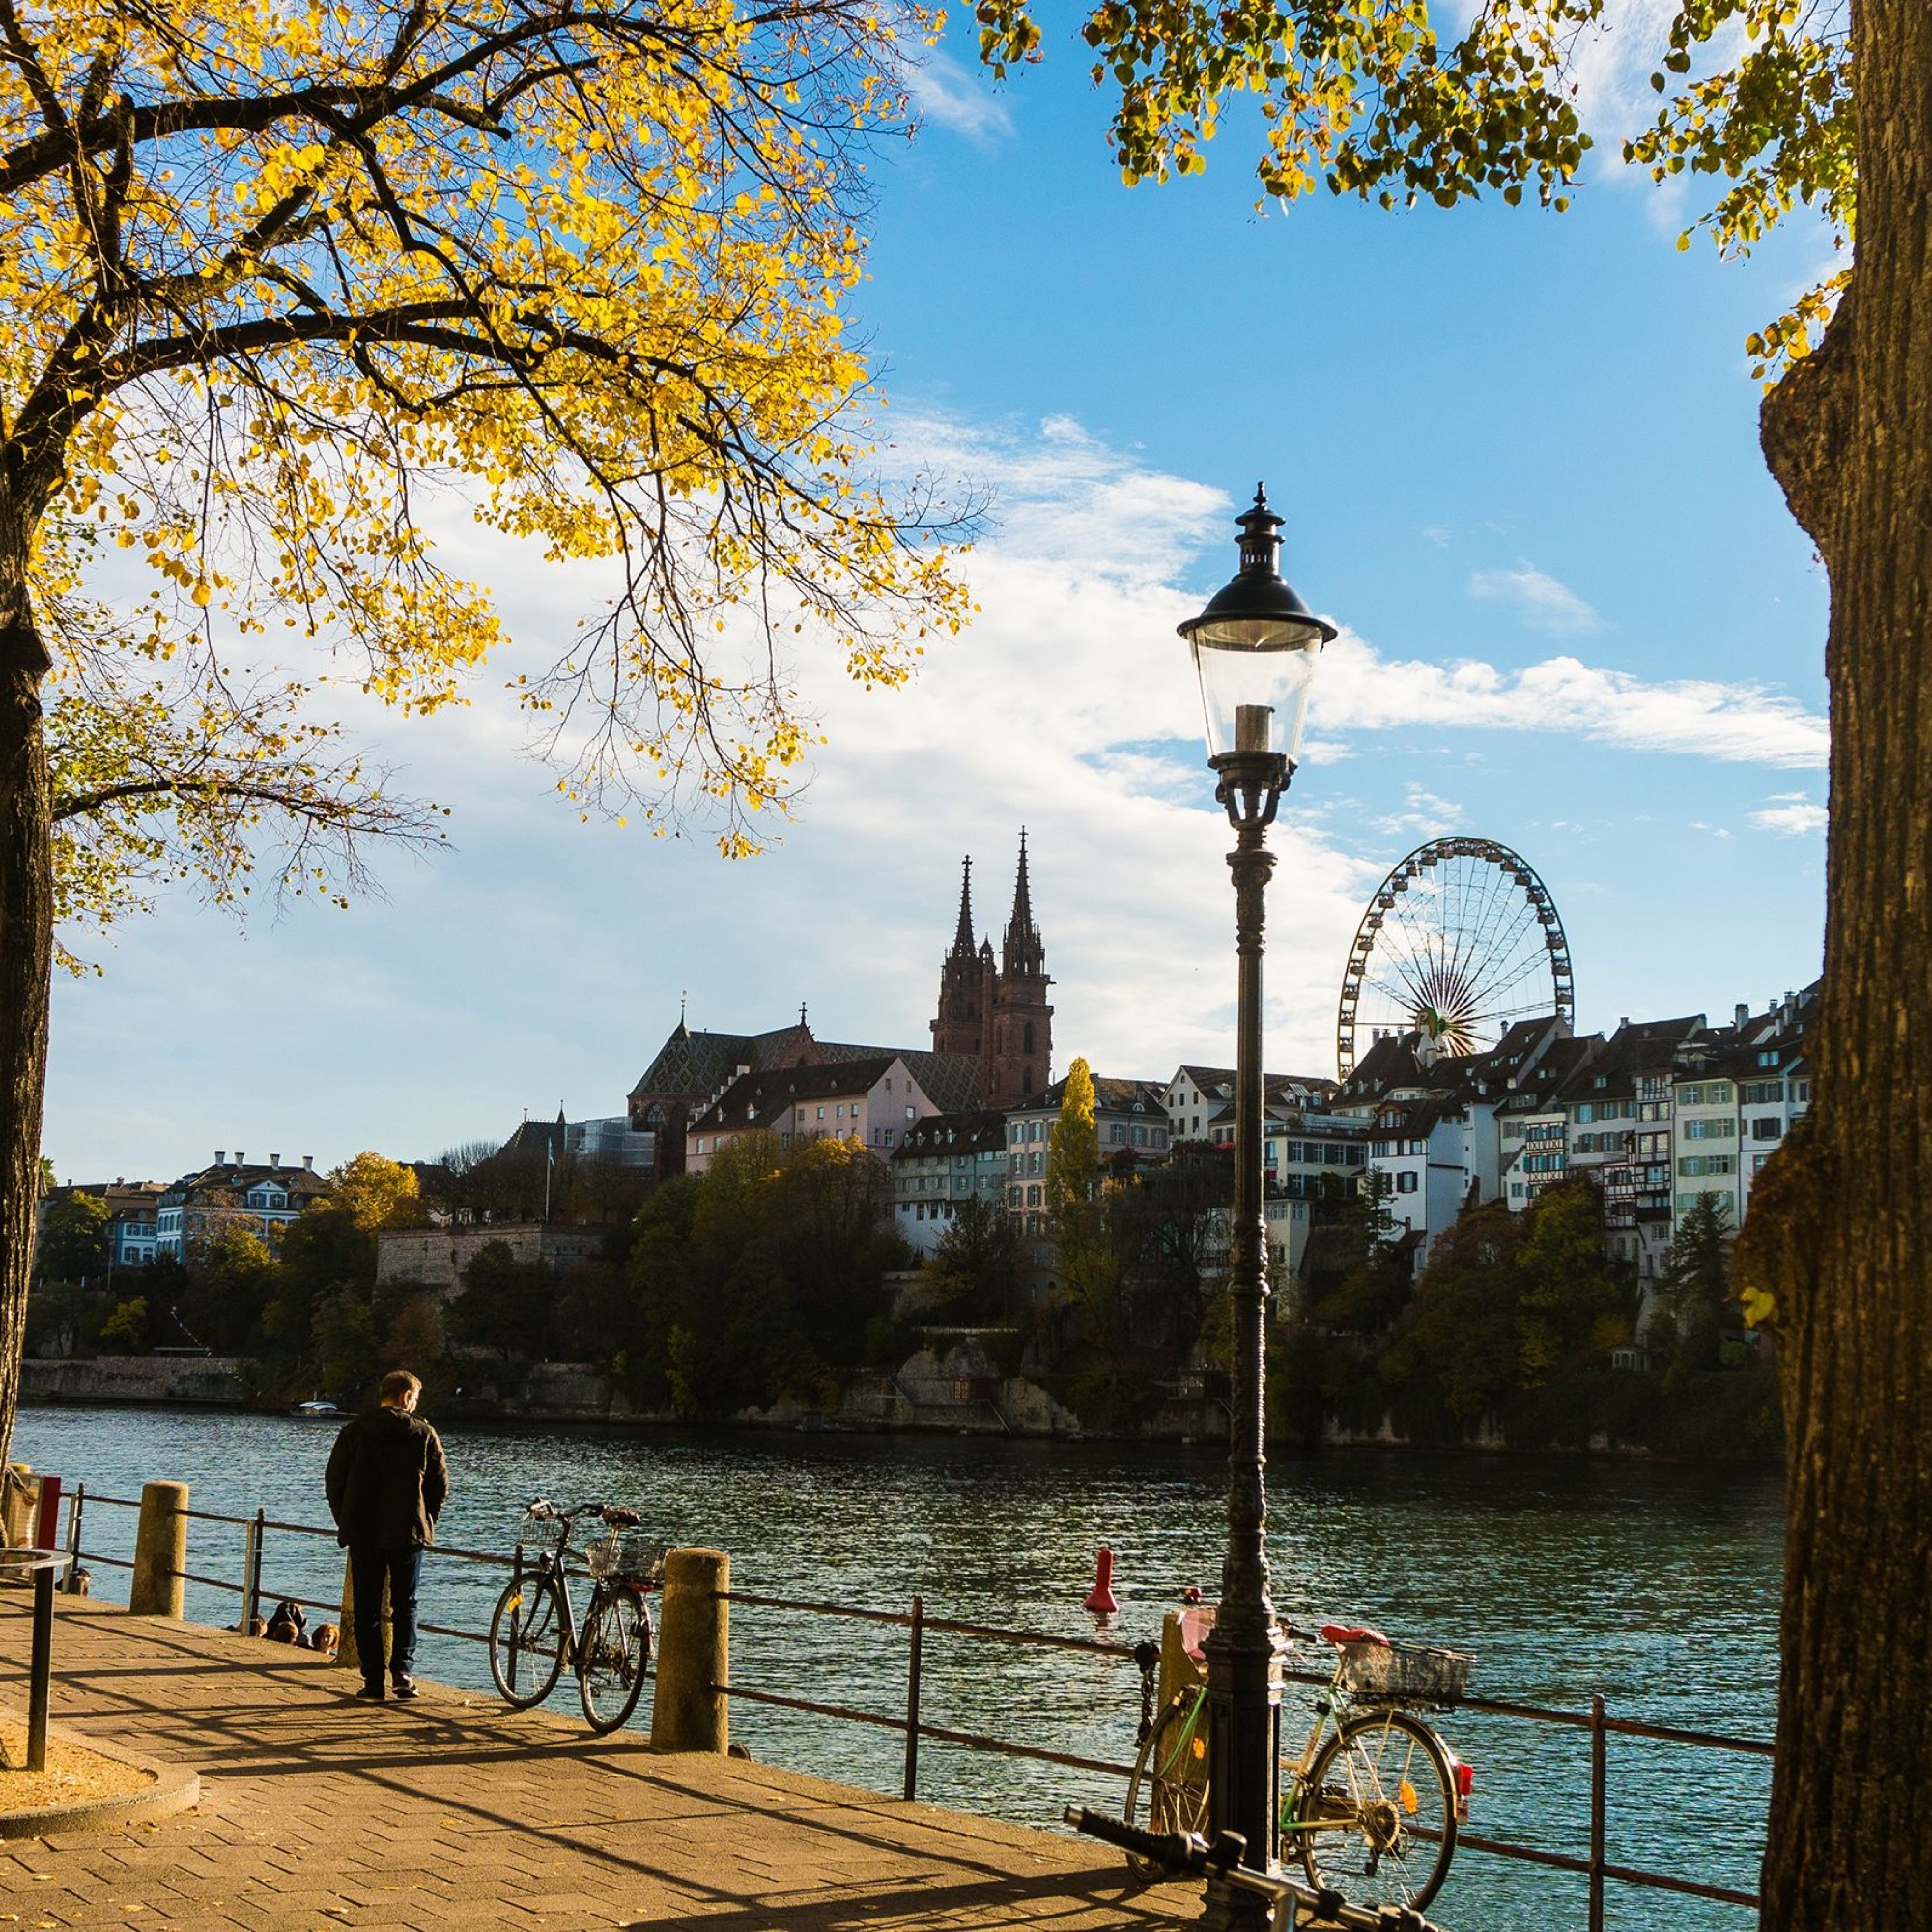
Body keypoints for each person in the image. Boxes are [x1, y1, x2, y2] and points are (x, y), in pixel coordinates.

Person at [325, 1369, 449, 1701]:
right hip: (407, 1532)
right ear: (406, 1397)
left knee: (366, 1609)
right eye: (415, 1399)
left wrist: (346, 1520)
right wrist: (425, 1520)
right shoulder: (423, 1433)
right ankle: (403, 1674)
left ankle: (373, 1681)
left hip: (363, 1532)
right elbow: (440, 1485)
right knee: (405, 1605)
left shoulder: (353, 1432)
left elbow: (334, 1482)